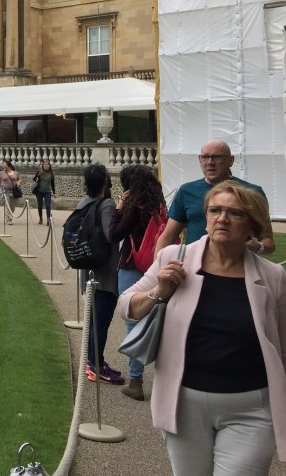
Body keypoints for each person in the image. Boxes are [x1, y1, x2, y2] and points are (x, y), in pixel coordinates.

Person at [118, 181, 286, 474]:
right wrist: (159, 291)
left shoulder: (273, 276)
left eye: (234, 213)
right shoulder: (174, 258)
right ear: (205, 217)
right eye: (215, 210)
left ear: (252, 225)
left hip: (250, 409)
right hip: (184, 405)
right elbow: (126, 306)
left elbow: (282, 346)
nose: (222, 218)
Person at [156, 140, 275, 256]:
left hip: (238, 267)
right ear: (199, 160)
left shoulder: (251, 193)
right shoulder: (187, 191)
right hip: (194, 268)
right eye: (205, 157)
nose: (210, 162)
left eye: (217, 157)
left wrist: (258, 247)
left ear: (231, 160)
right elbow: (167, 237)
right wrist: (156, 270)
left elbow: (268, 241)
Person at [109, 164, 166, 401]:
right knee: (157, 321)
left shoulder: (134, 208)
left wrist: (119, 208)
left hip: (133, 266)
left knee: (132, 320)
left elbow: (114, 234)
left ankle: (135, 380)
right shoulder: (159, 206)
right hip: (154, 267)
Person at [76, 163, 124, 385]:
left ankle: (93, 361)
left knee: (94, 320)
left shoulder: (83, 202)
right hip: (104, 272)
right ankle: (95, 366)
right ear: (105, 182)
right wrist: (121, 212)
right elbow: (111, 235)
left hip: (89, 269)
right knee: (101, 321)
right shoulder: (107, 204)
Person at [0, 159, 21, 225]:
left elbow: (20, 179)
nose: (3, 167)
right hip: (5, 191)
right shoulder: (1, 173)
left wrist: (18, 182)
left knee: (13, 206)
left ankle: (10, 218)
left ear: (9, 166)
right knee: (7, 205)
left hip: (14, 191)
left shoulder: (15, 172)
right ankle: (8, 219)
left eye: (5, 166)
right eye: (3, 166)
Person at [31, 160, 56, 225]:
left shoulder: (51, 173)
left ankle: (48, 219)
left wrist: (54, 192)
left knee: (48, 205)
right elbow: (34, 179)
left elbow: (52, 184)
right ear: (42, 165)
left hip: (47, 191)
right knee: (40, 205)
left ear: (49, 166)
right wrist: (37, 179)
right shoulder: (39, 172)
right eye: (44, 164)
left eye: (47, 164)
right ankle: (41, 218)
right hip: (39, 191)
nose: (45, 165)